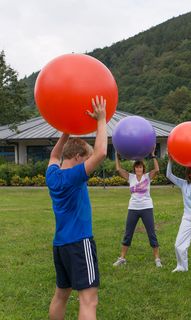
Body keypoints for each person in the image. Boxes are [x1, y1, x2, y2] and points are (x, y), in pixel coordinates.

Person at [46, 96, 107, 320]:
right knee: (89, 300)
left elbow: (54, 155)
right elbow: (101, 152)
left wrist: (66, 131)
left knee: (61, 295)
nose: (88, 163)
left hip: (60, 245)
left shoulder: (52, 175)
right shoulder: (73, 177)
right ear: (78, 157)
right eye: (86, 159)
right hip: (79, 243)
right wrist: (101, 119)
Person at [112, 149, 162, 268]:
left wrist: (153, 155)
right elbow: (118, 169)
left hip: (147, 208)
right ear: (134, 168)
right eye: (136, 167)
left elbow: (157, 170)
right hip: (133, 208)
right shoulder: (131, 177)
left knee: (151, 234)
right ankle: (122, 258)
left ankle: (157, 259)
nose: (138, 169)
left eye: (140, 167)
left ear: (143, 169)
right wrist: (116, 156)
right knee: (128, 233)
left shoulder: (147, 177)